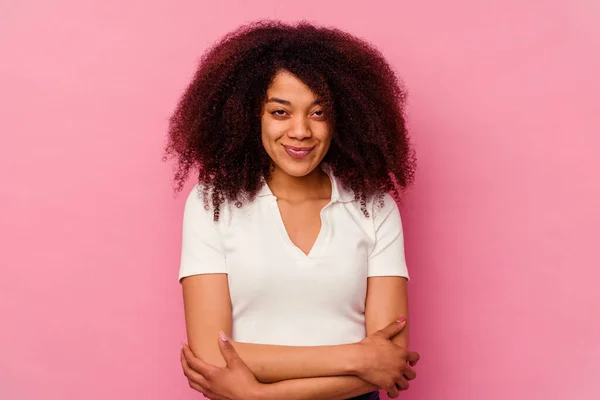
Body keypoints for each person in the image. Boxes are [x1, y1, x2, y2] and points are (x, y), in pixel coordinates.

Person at [165, 20, 420, 400]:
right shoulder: (212, 204)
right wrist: (357, 357)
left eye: (318, 113)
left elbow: (388, 362)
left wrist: (257, 395)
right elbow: (210, 355)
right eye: (280, 112)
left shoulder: (373, 207)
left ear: (342, 117)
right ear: (250, 116)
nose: (300, 131)